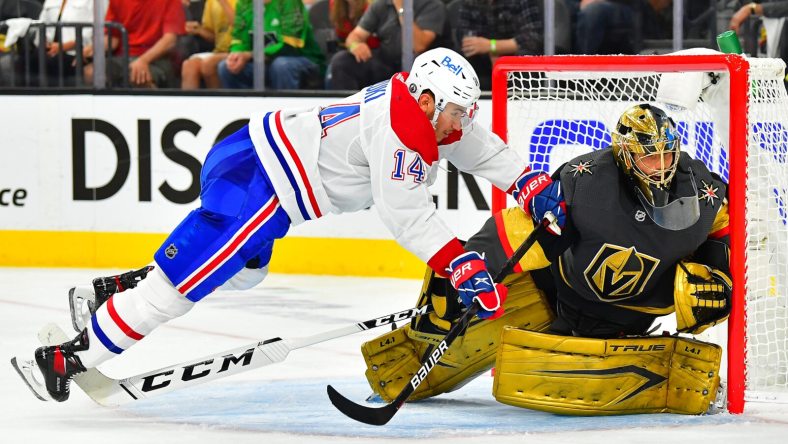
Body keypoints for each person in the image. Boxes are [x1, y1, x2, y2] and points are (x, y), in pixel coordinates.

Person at [14, 47, 565, 404]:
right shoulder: (400, 132)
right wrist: (462, 266)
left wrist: (528, 181)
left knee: (245, 274)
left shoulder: (421, 114)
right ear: (426, 100)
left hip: (261, 174)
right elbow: (407, 215)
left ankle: (112, 291)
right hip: (256, 185)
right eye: (456, 110)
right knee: (176, 292)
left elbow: (475, 144)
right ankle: (66, 359)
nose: (464, 120)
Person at [362, 103, 732, 415]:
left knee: (534, 376)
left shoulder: (703, 190)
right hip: (555, 293)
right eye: (650, 156)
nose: (663, 165)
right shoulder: (586, 183)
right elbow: (521, 232)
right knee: (470, 335)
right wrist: (470, 269)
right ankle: (406, 369)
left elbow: (722, 230)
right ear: (624, 154)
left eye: (668, 153)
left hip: (627, 322)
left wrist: (716, 274)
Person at [327, 0, 445, 90]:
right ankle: (349, 112)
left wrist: (401, 8)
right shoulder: (382, 4)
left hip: (422, 70)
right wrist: (355, 45)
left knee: (414, 63)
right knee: (342, 61)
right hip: (386, 64)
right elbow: (355, 35)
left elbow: (419, 45)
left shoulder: (432, 5)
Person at [217, 0, 325, 90]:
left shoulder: (290, 2)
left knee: (281, 65)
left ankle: (284, 112)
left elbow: (290, 45)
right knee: (225, 67)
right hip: (261, 62)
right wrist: (236, 54)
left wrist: (250, 55)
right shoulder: (244, 4)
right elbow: (239, 39)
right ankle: (241, 113)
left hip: (300, 58)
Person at [83, 0, 186, 88]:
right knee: (91, 72)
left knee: (138, 76)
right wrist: (94, 48)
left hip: (157, 59)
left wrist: (143, 60)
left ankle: (154, 110)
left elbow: (170, 40)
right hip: (122, 58)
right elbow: (113, 40)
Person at [456, 0, 543, 90]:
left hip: (514, 57)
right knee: (461, 59)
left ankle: (523, 101)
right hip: (482, 59)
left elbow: (532, 37)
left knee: (526, 57)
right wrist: (491, 51)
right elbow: (466, 40)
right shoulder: (469, 2)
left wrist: (492, 46)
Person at [180, 0, 236, 89]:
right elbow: (213, 37)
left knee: (208, 64)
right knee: (189, 66)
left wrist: (224, 3)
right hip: (219, 51)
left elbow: (240, 25)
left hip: (240, 50)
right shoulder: (211, 2)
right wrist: (199, 30)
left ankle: (218, 101)